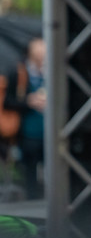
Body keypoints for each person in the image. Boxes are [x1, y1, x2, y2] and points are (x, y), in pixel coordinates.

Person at [3, 38, 46, 200]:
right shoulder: (19, 73)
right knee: (30, 168)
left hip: (50, 131)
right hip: (28, 132)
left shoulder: (54, 72)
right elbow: (7, 102)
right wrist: (28, 101)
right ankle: (32, 197)